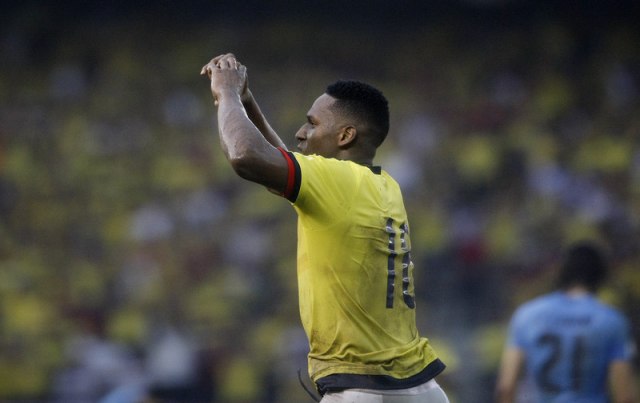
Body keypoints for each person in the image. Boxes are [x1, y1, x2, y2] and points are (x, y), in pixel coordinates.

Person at [200, 53, 449, 403]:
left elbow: (245, 156)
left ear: (345, 135)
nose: (301, 132)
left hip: (361, 390)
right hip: (420, 388)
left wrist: (225, 93)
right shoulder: (382, 185)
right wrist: (247, 101)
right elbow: (282, 163)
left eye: (312, 123)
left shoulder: (337, 181)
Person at [495, 241, 639, 403]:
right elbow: (624, 395)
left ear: (562, 273)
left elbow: (506, 387)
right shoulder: (611, 320)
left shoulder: (527, 315)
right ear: (601, 275)